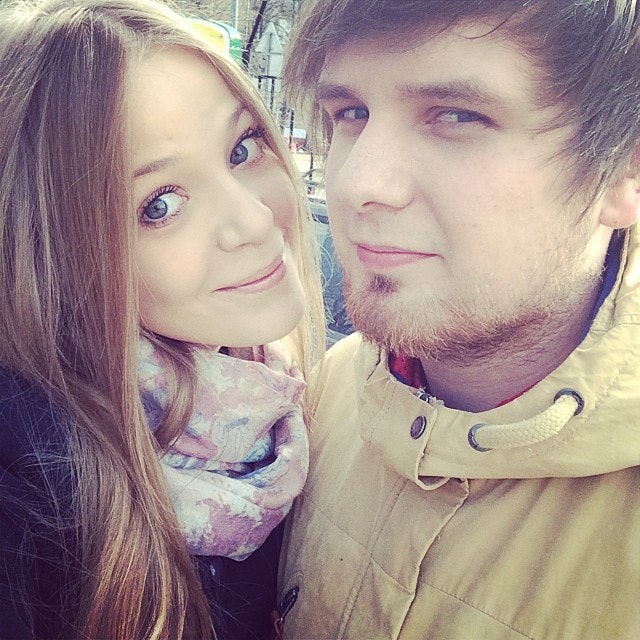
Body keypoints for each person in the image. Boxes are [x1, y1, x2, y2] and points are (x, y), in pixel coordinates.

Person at [278, 1, 640, 638]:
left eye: (457, 116)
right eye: (351, 113)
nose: (358, 182)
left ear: (624, 172)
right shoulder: (326, 392)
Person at [0, 1, 323, 638]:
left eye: (242, 148)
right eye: (160, 205)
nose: (256, 220)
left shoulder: (277, 401)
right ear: (54, 261)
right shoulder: (31, 504)